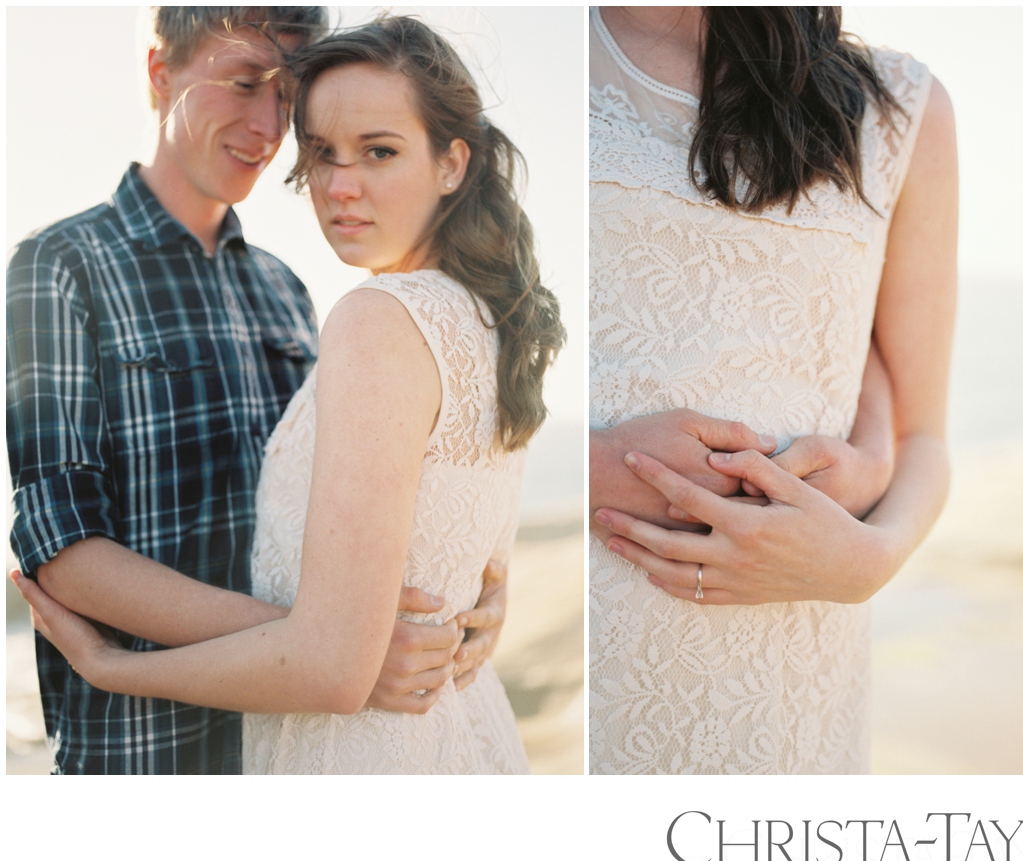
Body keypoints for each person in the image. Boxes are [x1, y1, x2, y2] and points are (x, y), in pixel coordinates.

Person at [17, 15, 566, 775]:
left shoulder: (290, 291)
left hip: (307, 733)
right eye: (245, 84)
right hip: (147, 750)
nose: (268, 126)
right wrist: (346, 642)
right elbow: (63, 550)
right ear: (159, 74)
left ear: (452, 163)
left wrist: (467, 611)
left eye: (285, 99)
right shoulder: (60, 266)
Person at [588, 6, 956, 773]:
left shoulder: (902, 107)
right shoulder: (558, 51)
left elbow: (925, 433)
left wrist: (872, 558)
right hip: (602, 632)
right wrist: (603, 466)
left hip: (795, 663)